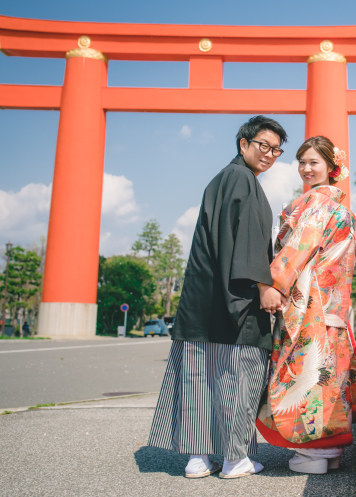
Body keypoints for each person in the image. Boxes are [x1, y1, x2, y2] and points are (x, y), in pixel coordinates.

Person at [148, 116, 289, 479]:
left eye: (276, 149)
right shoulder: (242, 179)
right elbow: (246, 240)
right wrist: (263, 285)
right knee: (239, 377)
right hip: (237, 298)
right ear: (243, 143)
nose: (270, 154)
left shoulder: (222, 179)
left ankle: (197, 458)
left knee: (200, 377)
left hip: (203, 299)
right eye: (264, 145)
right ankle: (234, 459)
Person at [257, 136, 356, 474]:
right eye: (302, 162)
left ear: (330, 167)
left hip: (309, 305)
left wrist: (270, 285)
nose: (306, 169)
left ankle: (312, 453)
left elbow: (296, 251)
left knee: (303, 376)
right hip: (333, 306)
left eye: (314, 163)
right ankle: (330, 449)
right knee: (329, 375)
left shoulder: (317, 205)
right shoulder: (344, 211)